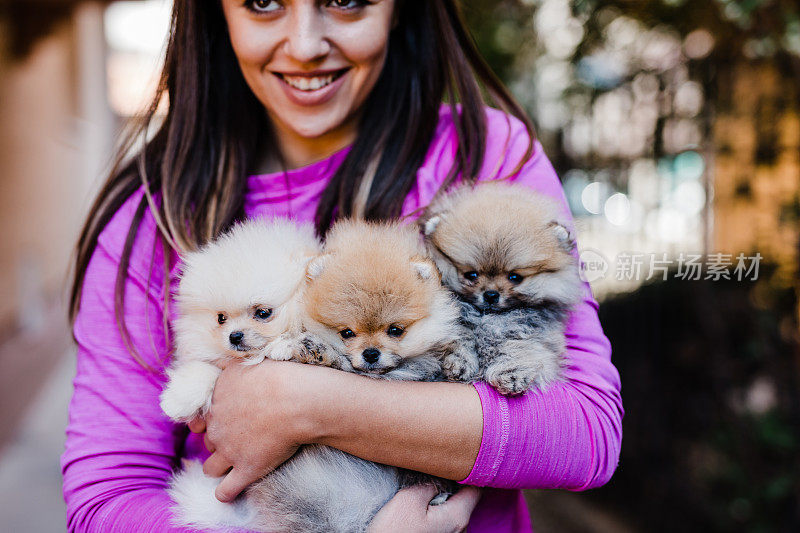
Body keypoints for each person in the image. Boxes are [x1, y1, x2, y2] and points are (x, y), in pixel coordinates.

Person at [62, 1, 623, 531]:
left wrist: (307, 405)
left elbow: (584, 436)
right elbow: (104, 500)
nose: (305, 45)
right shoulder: (148, 219)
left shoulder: (484, 158)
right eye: (262, 2)